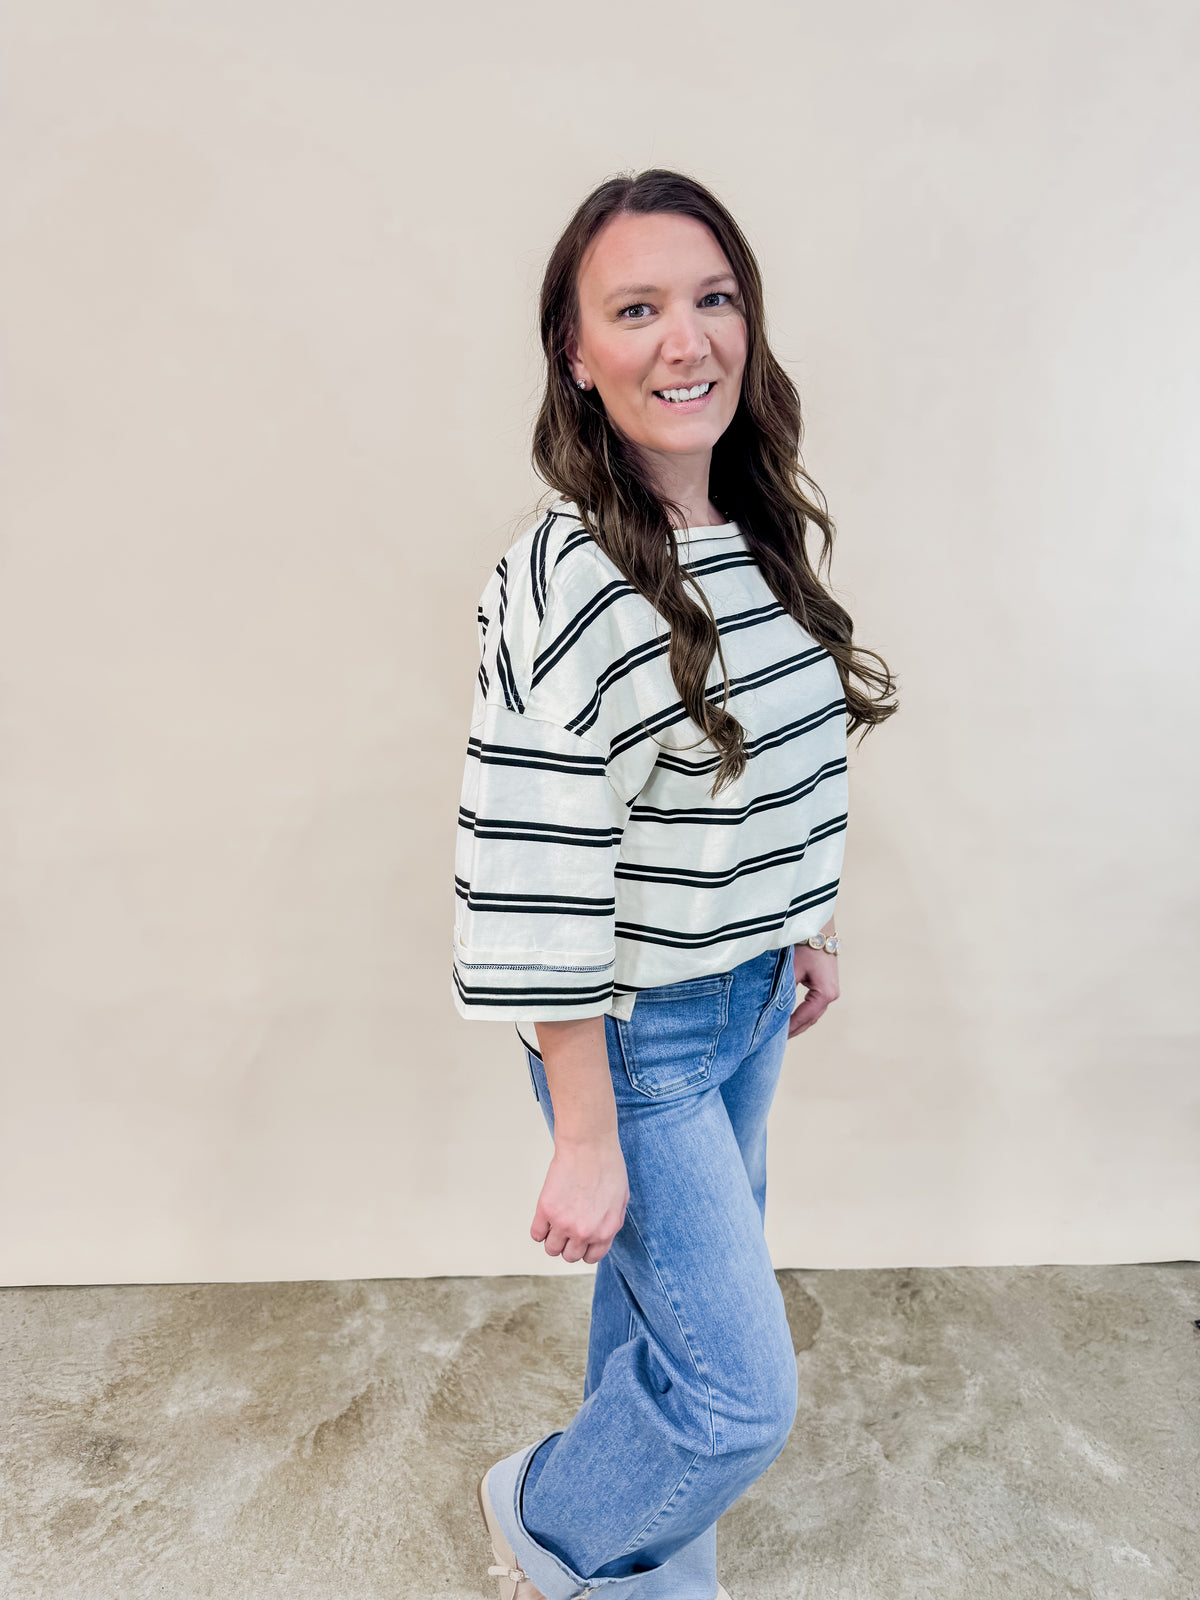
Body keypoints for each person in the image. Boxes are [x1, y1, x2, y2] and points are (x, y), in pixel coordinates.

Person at [451, 169, 897, 1600]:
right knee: (736, 1395)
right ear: (576, 356)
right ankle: (550, 1518)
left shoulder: (754, 530)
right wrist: (584, 1129)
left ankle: (641, 1566)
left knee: (664, 1330)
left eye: (712, 299)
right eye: (634, 309)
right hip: (637, 1045)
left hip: (747, 1001)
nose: (684, 339)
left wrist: (804, 927)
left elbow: (773, 764)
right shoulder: (565, 578)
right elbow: (530, 868)